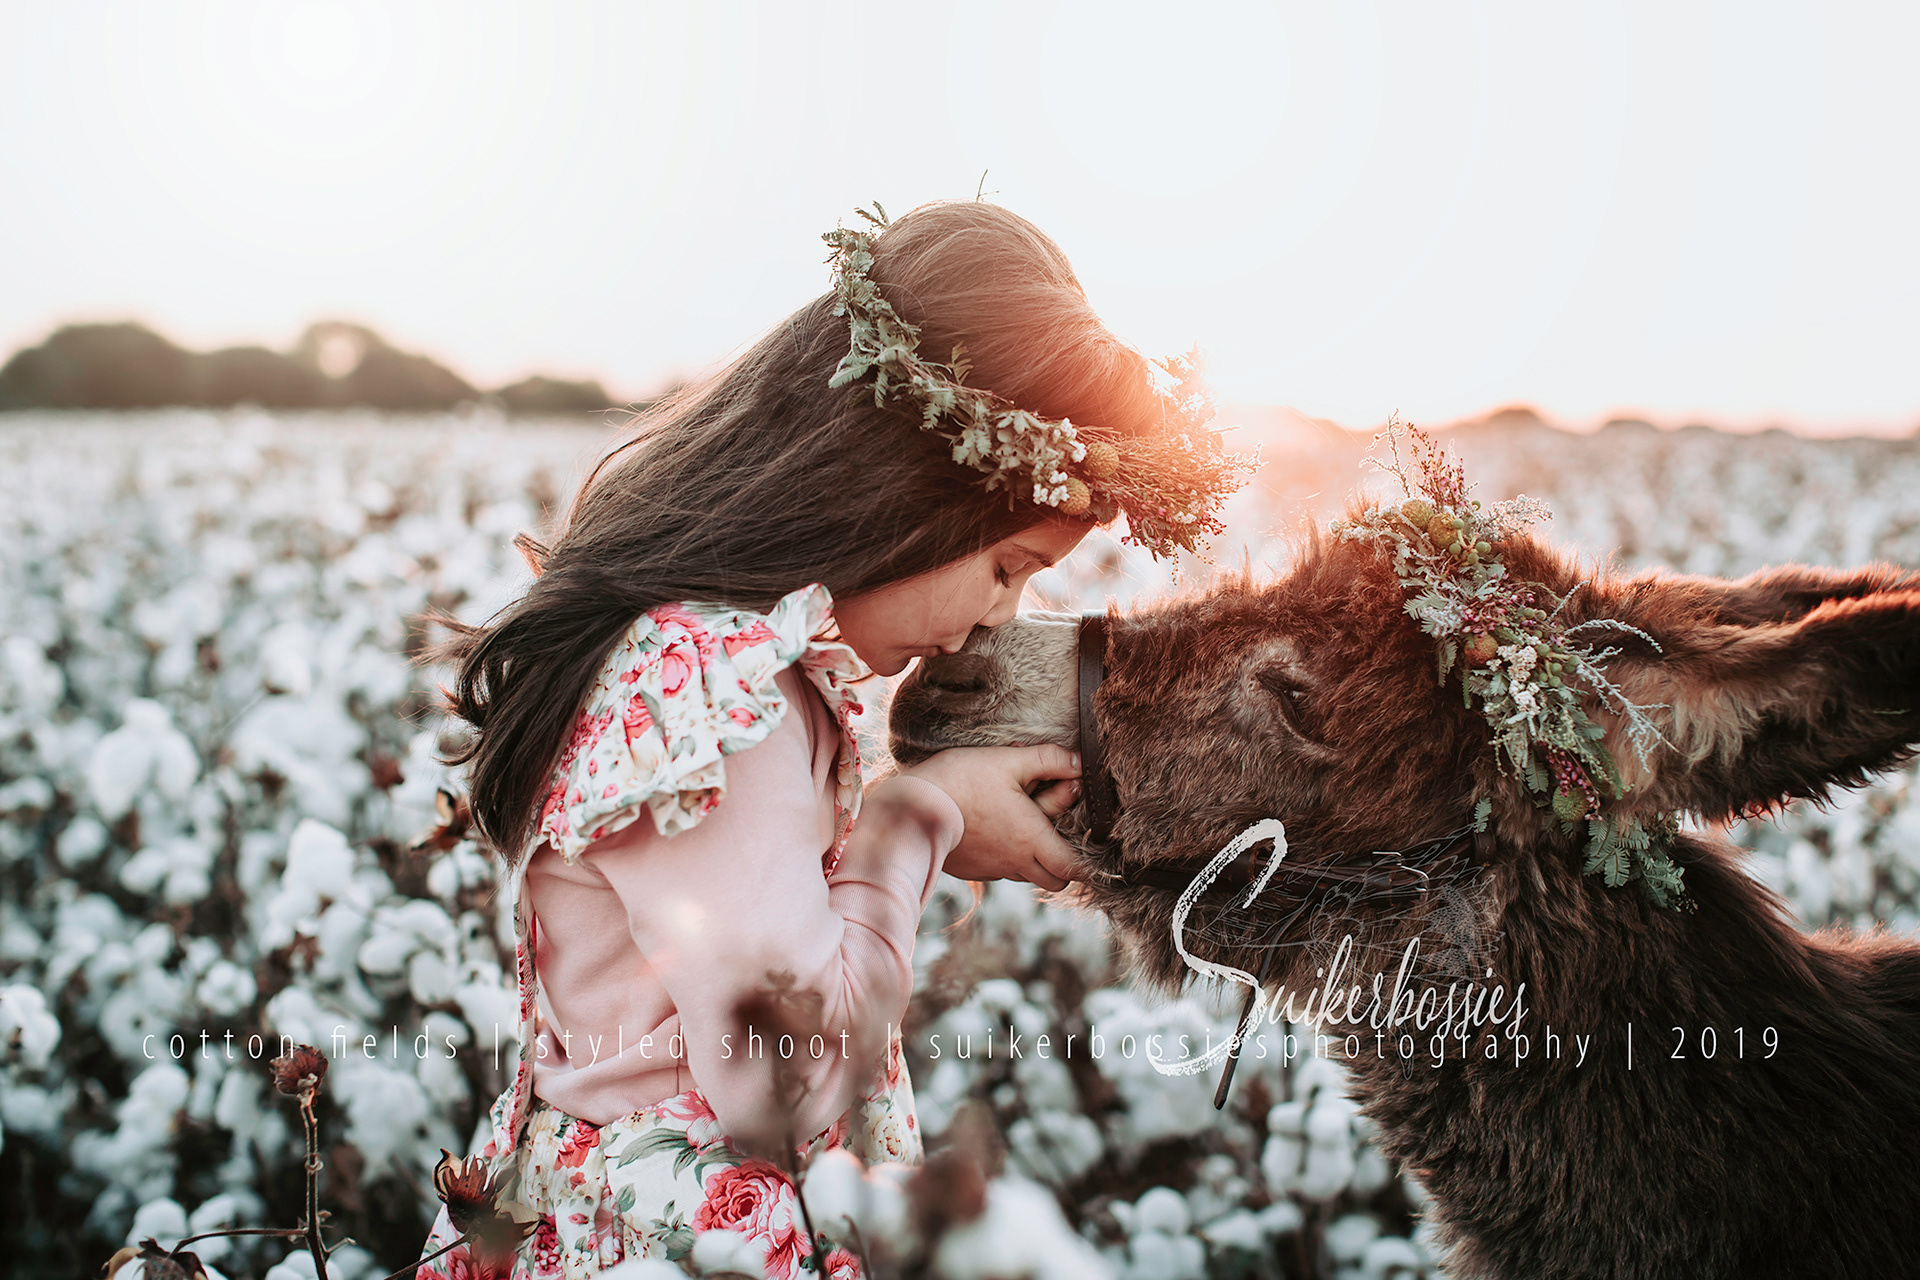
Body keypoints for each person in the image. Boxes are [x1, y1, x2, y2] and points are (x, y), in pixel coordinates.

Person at [411, 200, 1245, 1280]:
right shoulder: (715, 693)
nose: (1000, 618)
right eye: (1006, 567)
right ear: (896, 496)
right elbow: (791, 1080)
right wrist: (916, 815)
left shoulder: (726, 666)